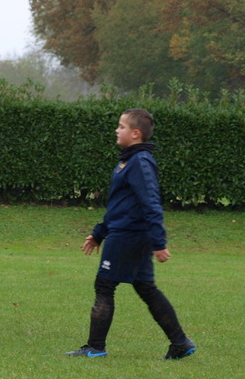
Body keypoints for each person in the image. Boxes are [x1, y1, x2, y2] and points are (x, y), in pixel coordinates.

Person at [65, 108, 196, 360]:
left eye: (121, 126)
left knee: (104, 285)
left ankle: (95, 347)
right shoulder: (129, 160)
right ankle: (180, 342)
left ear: (135, 133)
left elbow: (151, 202)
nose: (117, 130)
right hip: (127, 233)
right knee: (145, 288)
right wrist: (99, 233)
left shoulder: (140, 162)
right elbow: (121, 205)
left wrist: (159, 241)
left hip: (129, 236)